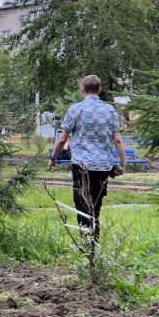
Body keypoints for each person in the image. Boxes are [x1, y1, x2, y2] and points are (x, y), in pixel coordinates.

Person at [49, 75, 126, 235]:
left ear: (82, 90)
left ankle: (87, 242)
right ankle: (93, 240)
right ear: (99, 90)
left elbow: (63, 138)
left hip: (82, 166)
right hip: (103, 166)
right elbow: (117, 139)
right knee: (96, 204)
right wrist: (123, 164)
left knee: (82, 204)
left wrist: (53, 158)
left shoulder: (76, 109)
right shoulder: (110, 110)